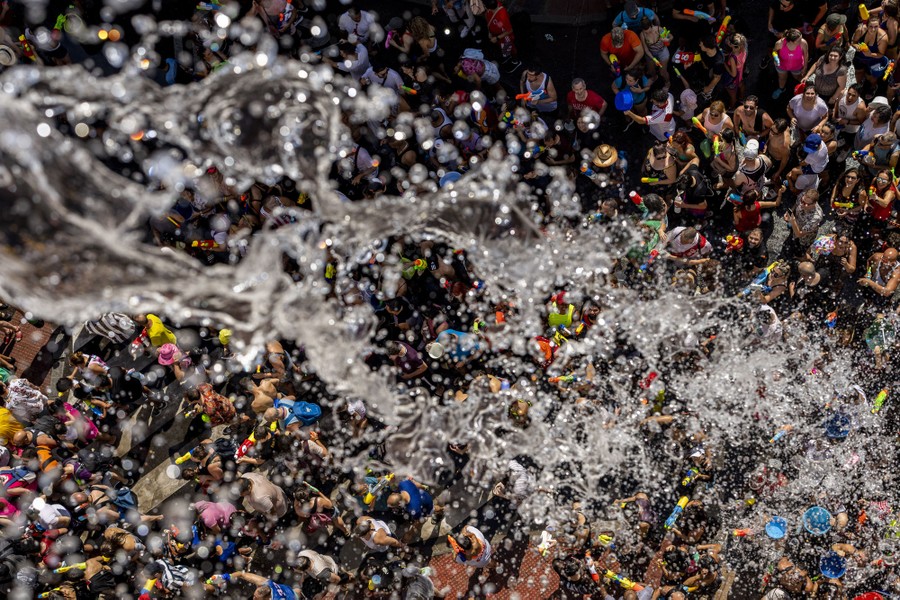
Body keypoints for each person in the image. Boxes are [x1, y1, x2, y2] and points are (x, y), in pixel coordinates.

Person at [783, 188, 824, 258]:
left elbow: (799, 234)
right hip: (796, 224)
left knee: (799, 250)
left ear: (814, 203)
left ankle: (800, 256)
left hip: (804, 238)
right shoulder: (802, 196)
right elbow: (796, 204)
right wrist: (791, 212)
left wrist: (792, 221)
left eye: (806, 204)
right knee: (792, 238)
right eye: (802, 201)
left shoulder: (816, 217)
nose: (802, 204)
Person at [772, 28, 808, 100]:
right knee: (782, 78)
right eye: (799, 40)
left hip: (797, 66)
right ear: (791, 41)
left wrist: (805, 67)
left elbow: (806, 54)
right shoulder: (780, 43)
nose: (801, 40)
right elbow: (774, 51)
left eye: (801, 38)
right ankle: (781, 89)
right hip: (782, 65)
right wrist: (776, 58)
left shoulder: (803, 43)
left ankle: (805, 88)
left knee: (797, 77)